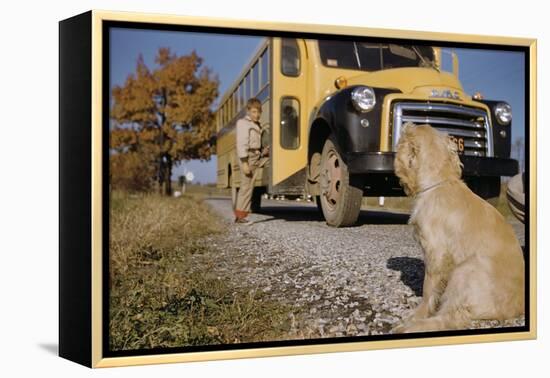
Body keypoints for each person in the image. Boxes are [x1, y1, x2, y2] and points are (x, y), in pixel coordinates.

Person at [234, 98, 270, 224]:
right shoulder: (243, 123)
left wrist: (263, 152)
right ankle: (240, 216)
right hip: (248, 157)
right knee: (246, 186)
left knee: (249, 186)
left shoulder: (256, 124)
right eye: (254, 112)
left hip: (255, 155)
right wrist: (244, 163)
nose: (257, 114)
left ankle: (241, 215)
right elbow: (242, 144)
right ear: (248, 111)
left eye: (259, 112)